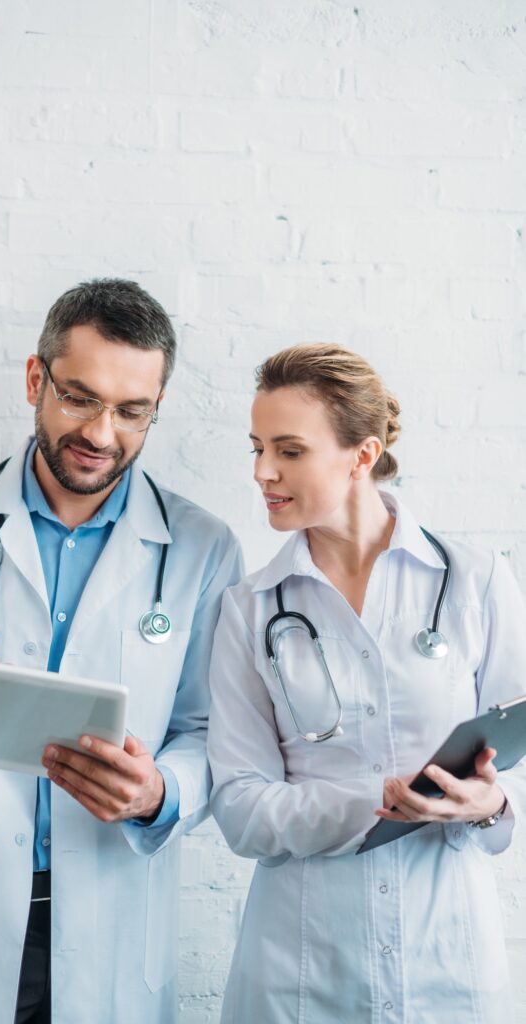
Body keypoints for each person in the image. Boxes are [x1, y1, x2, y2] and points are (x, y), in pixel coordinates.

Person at [0, 279, 243, 1024]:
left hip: (112, 906)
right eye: (80, 397)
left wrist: (160, 793)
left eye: (132, 411)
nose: (101, 432)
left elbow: (215, 735)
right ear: (36, 379)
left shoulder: (201, 549)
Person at [207, 343, 526, 1024]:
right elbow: (238, 806)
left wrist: (487, 804)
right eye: (257, 448)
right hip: (300, 968)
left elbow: (517, 765)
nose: (263, 472)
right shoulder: (248, 609)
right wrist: (372, 801)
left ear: (362, 454)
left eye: (289, 451)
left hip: (448, 962)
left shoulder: (474, 582)